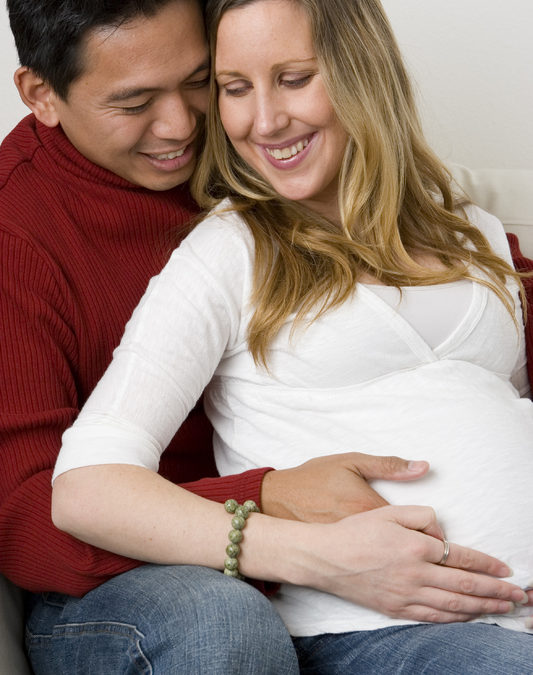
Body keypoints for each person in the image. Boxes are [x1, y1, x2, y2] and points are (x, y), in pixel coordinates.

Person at [0, 0, 491, 672]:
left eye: (201, 82)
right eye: (134, 101)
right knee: (217, 618)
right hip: (120, 584)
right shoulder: (17, 235)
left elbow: (460, 271)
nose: (180, 126)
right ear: (41, 95)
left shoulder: (262, 148)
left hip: (343, 560)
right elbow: (30, 521)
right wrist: (263, 501)